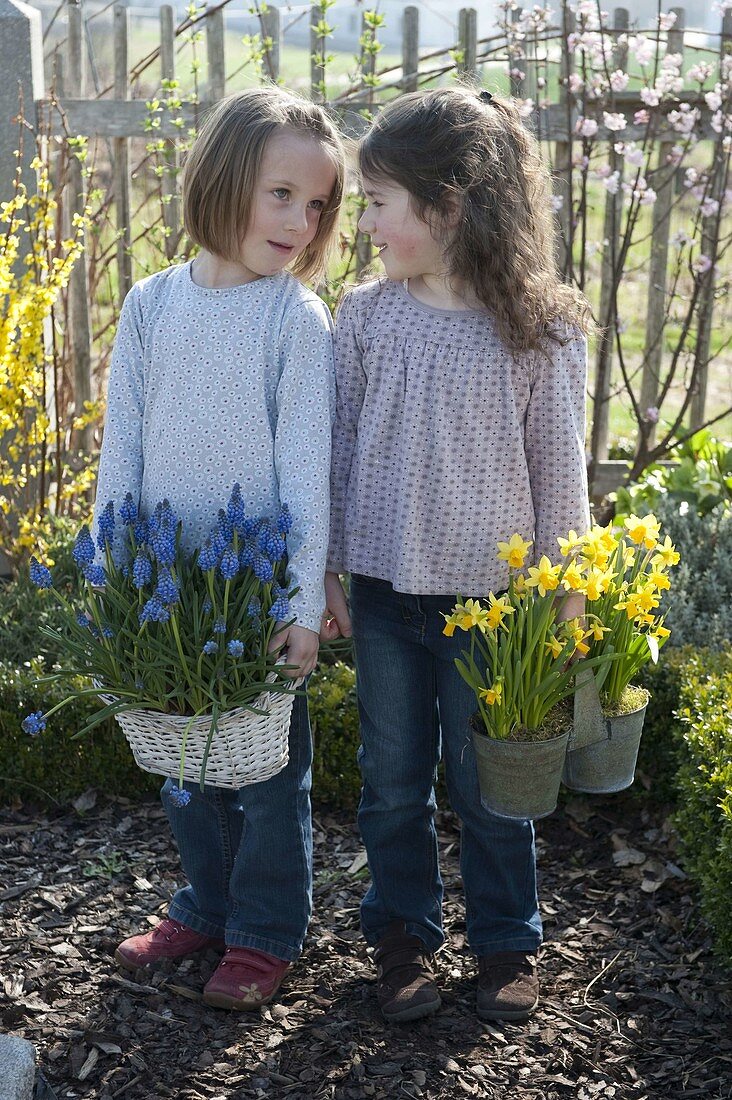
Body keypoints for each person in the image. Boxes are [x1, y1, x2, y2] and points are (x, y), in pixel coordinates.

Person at [321, 86, 592, 1024]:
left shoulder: (537, 331)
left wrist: (566, 610)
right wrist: (324, 568)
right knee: (393, 781)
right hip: (388, 595)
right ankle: (401, 938)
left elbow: (561, 481)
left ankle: (508, 941)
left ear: (448, 208)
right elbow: (337, 451)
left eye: (379, 203)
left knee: (490, 788)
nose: (365, 224)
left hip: (492, 612)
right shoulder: (366, 318)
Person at [92, 87, 345, 1010]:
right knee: (185, 764)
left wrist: (296, 602)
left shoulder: (294, 321)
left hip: (254, 592)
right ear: (224, 178)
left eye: (316, 205)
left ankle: (266, 932)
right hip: (168, 587)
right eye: (280, 193)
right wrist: (109, 574)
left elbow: (307, 469)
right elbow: (122, 440)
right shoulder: (152, 304)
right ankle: (204, 902)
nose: (299, 221)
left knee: (270, 775)